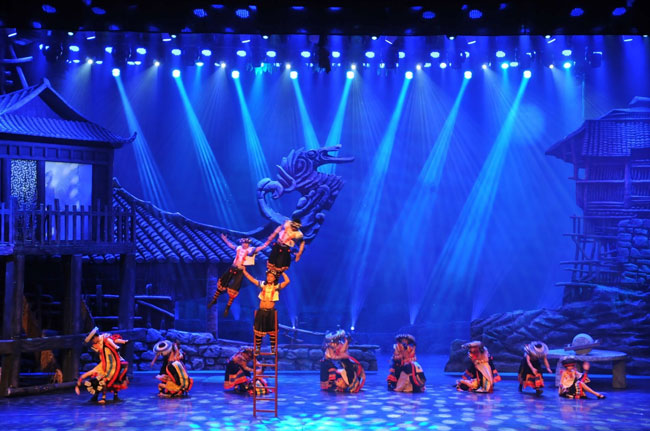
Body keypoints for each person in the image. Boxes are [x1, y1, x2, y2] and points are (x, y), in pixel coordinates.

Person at [209, 234, 275, 317]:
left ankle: (228, 307)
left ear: (248, 244)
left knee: (234, 287)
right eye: (243, 243)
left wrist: (268, 241)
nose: (244, 244)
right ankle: (214, 299)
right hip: (233, 267)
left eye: (246, 243)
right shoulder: (239, 248)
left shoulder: (251, 250)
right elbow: (231, 246)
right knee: (223, 282)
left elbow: (262, 247)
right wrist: (225, 239)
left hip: (240, 270)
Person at [75, 327, 129, 404]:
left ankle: (109, 397)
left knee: (111, 378)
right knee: (96, 377)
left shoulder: (105, 338)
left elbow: (114, 342)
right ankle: (96, 396)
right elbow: (100, 352)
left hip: (113, 362)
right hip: (104, 363)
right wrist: (78, 385)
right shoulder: (96, 344)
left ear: (95, 337)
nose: (92, 342)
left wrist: (123, 342)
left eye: (92, 340)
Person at [242, 268, 290, 353]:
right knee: (259, 330)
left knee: (272, 330)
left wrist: (282, 272)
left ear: (274, 278)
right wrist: (244, 271)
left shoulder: (276, 287)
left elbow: (287, 281)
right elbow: (252, 280)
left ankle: (273, 348)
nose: (269, 278)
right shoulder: (263, 285)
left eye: (271, 276)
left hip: (271, 312)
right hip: (261, 311)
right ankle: (258, 348)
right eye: (268, 276)